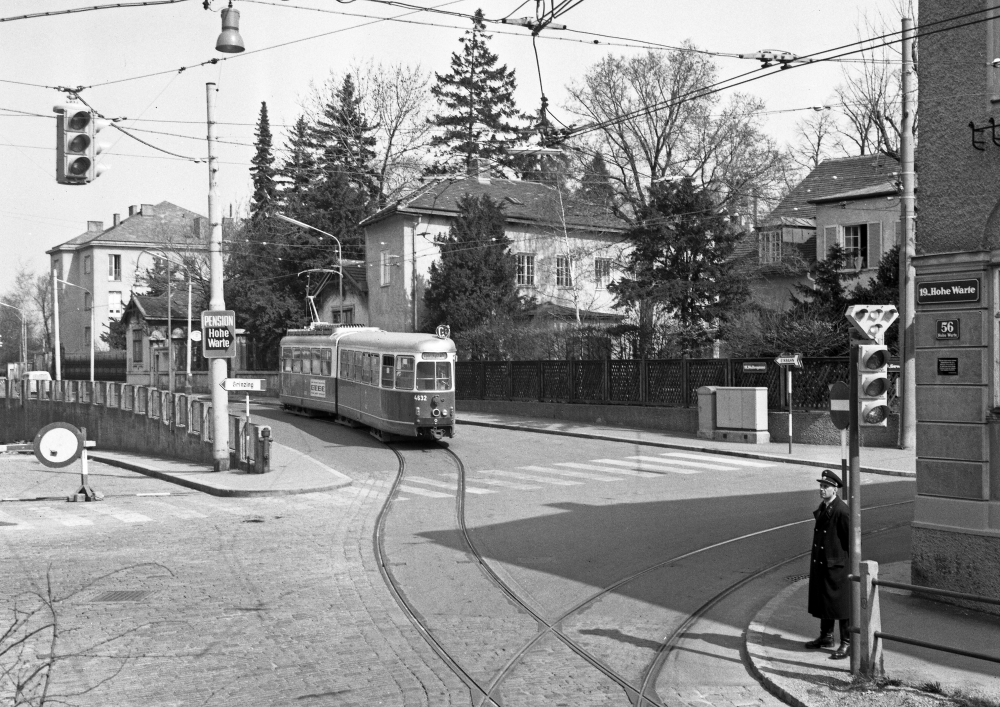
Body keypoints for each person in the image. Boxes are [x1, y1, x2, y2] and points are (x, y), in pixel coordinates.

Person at [805, 469, 851, 660]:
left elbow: (853, 541)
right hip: (824, 564)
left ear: (835, 490)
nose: (822, 490)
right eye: (821, 486)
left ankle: (846, 642)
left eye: (826, 487)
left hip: (838, 567)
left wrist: (848, 565)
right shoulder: (825, 507)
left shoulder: (841, 511)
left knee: (842, 605)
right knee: (825, 601)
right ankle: (826, 636)